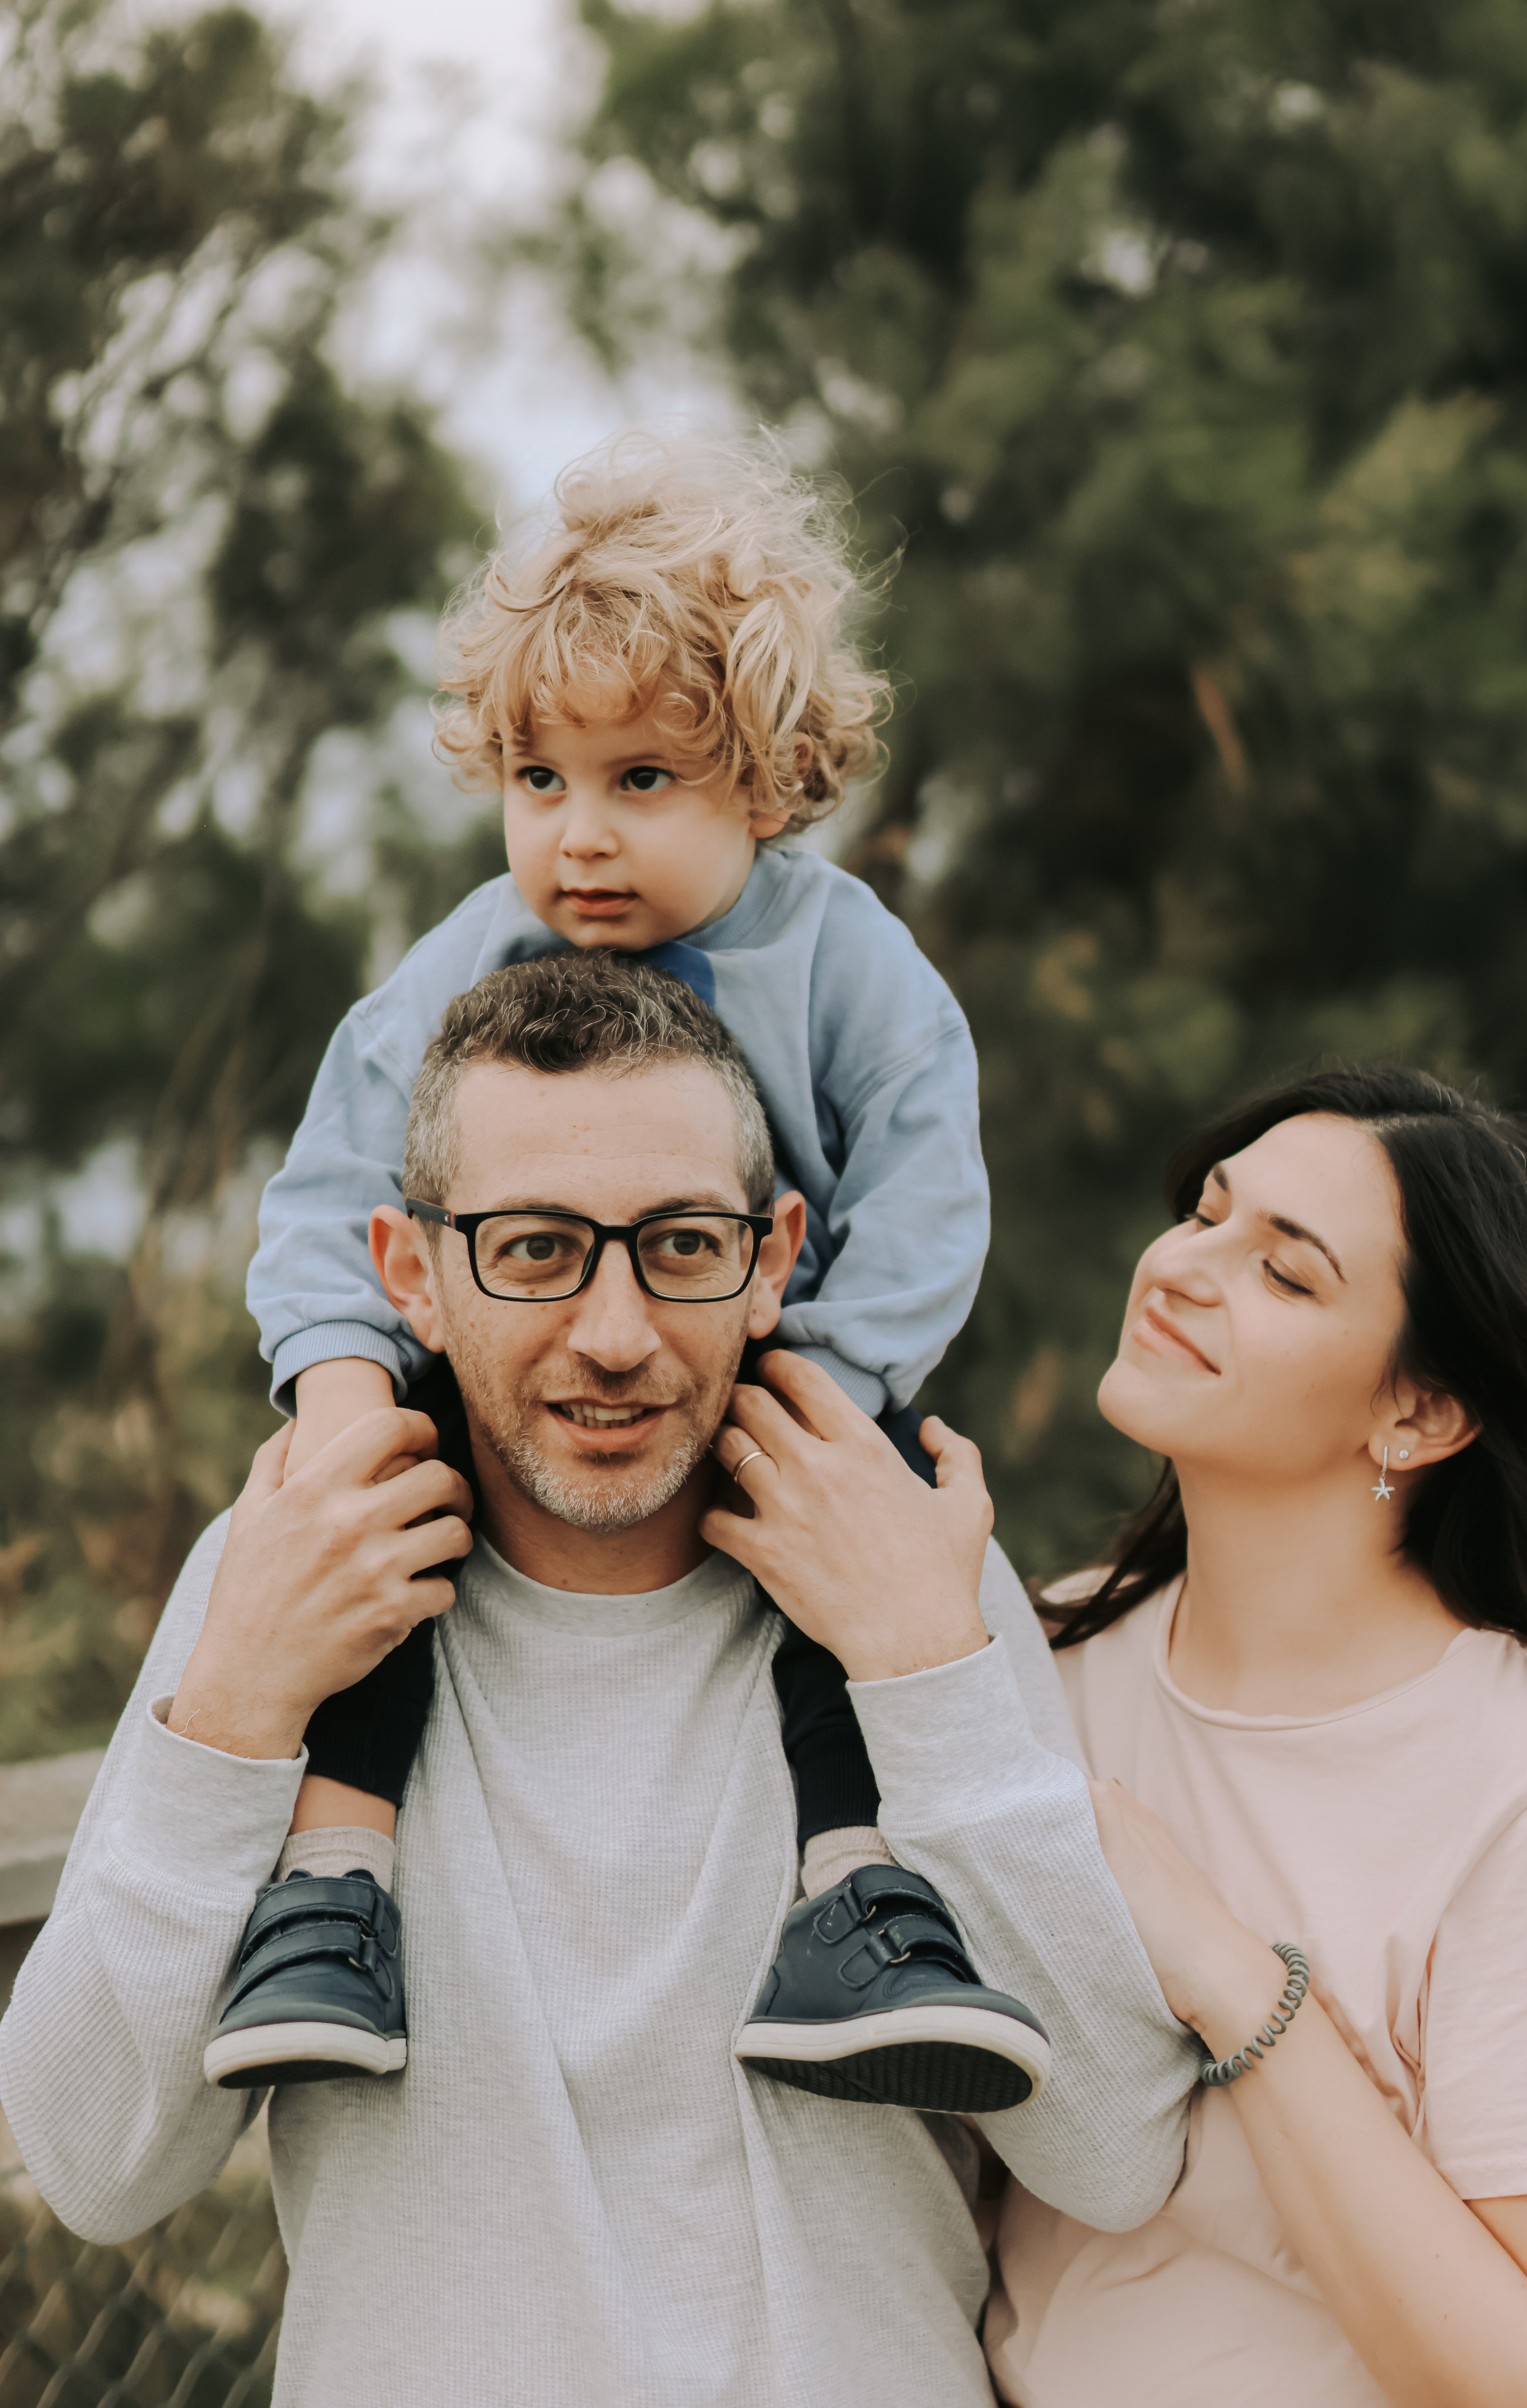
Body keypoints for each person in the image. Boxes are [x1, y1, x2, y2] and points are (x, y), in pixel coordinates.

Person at [0, 953, 1198, 2408]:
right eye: (534, 1248)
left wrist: (924, 1674)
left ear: (773, 1256)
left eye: (681, 1244)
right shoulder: (284, 1566)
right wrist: (239, 1710)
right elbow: (92, 2165)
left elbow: (1116, 2154)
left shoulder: (909, 1568)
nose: (615, 1334)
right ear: (411, 1274)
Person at [236, 427, 1023, 2105]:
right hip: (519, 1387)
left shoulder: (843, 959)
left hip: (783, 1366)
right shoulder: (482, 952)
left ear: (770, 778)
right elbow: (329, 1180)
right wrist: (341, 1376)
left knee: (843, 1556)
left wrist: (830, 1374)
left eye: (640, 782)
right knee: (392, 1515)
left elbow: (929, 1183)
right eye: (542, 783)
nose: (578, 838)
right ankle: (333, 1881)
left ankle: (859, 1885)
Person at [951, 1065, 1527, 2406]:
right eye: (1204, 1213)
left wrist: (1231, 1979)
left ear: (1416, 1413)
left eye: (1285, 1275)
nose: (1182, 1269)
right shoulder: (1035, 1663)